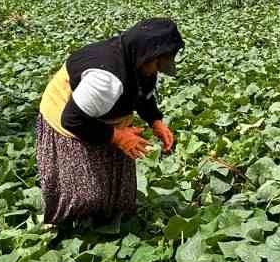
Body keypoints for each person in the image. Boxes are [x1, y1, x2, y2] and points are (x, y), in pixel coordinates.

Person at [35, 17, 185, 230]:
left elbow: (144, 94)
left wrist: (155, 121)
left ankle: (106, 223)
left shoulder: (141, 62)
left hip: (105, 115)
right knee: (85, 195)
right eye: (157, 64)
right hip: (67, 117)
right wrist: (117, 136)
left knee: (120, 197)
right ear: (145, 54)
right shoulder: (105, 79)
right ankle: (66, 230)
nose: (157, 70)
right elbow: (72, 119)